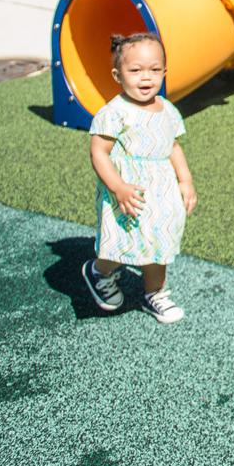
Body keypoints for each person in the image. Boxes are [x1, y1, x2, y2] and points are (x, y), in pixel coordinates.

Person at [81, 32, 197, 324]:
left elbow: (172, 146)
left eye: (154, 70)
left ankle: (155, 293)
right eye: (135, 70)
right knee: (122, 240)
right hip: (127, 190)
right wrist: (118, 188)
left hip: (162, 191)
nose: (146, 78)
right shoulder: (114, 113)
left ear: (164, 72)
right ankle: (100, 271)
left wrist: (185, 180)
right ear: (117, 74)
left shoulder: (167, 109)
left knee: (160, 243)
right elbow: (99, 153)